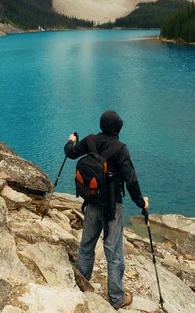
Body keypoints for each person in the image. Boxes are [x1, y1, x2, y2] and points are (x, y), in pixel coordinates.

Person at [64, 109, 149, 310]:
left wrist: (70, 141)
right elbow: (131, 180)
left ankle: (82, 284)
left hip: (92, 201)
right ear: (117, 127)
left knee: (86, 245)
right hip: (113, 206)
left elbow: (69, 153)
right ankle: (117, 298)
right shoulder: (121, 149)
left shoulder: (90, 140)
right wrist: (141, 203)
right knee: (114, 253)